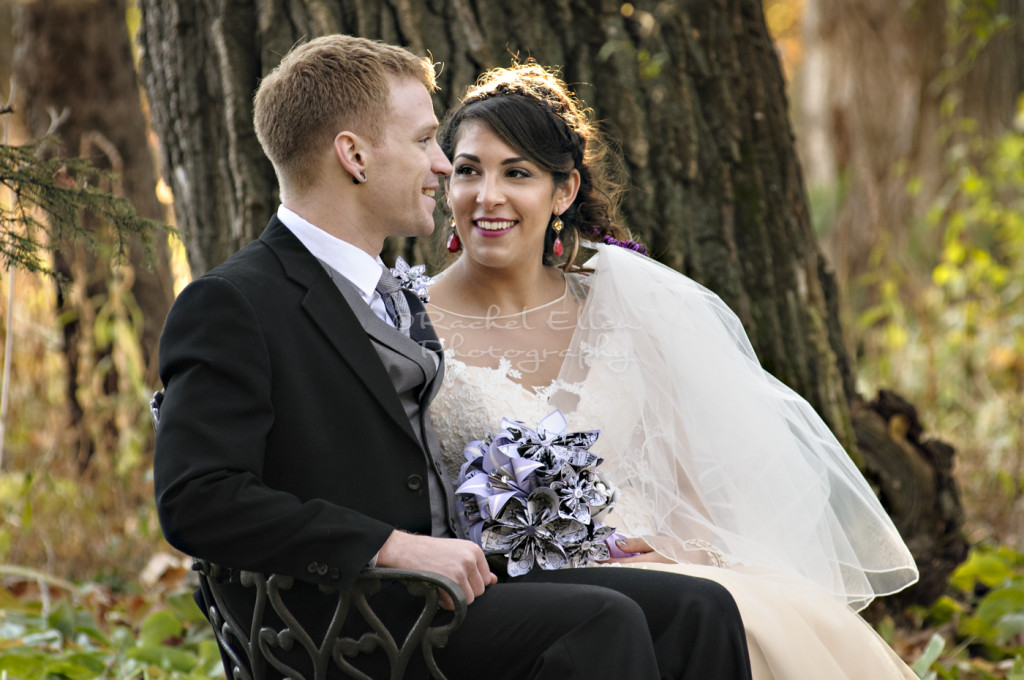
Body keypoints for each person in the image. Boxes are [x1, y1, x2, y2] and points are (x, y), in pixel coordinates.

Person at [153, 35, 754, 680]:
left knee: (700, 608)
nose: (443, 167)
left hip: (454, 594)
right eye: (423, 141)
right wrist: (390, 547)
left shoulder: (386, 289)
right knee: (599, 623)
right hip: (351, 619)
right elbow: (197, 497)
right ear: (353, 156)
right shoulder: (235, 301)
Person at [425, 62, 922, 679]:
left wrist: (679, 549)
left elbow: (692, 478)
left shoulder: (619, 303)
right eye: (469, 171)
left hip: (663, 564)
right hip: (521, 597)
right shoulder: (411, 326)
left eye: (517, 173)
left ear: (564, 191)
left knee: (752, 622)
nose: (487, 196)